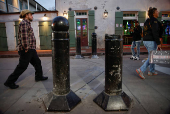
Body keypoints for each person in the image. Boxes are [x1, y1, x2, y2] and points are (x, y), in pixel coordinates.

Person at [4, 9, 48, 89]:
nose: (32, 16)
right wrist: (26, 48)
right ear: (26, 15)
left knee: (37, 62)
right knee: (22, 66)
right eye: (31, 15)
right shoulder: (24, 23)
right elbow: (24, 37)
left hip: (31, 49)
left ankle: (39, 76)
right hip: (27, 49)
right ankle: (9, 82)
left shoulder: (27, 24)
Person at [136, 7, 162, 79]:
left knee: (151, 56)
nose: (158, 12)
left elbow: (143, 31)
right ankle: (141, 70)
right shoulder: (155, 21)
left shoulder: (147, 20)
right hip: (151, 41)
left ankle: (152, 71)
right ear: (154, 13)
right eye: (157, 11)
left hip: (145, 40)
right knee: (152, 57)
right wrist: (158, 42)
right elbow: (155, 33)